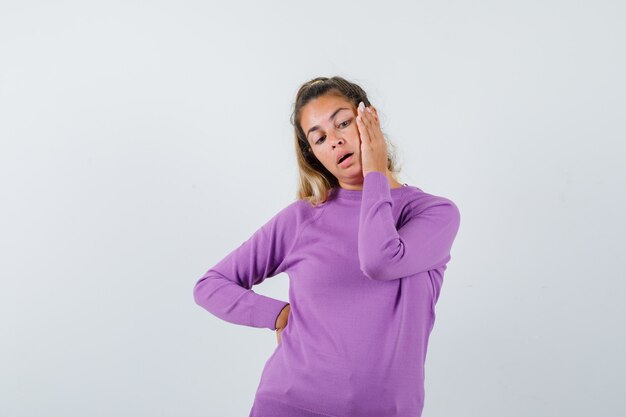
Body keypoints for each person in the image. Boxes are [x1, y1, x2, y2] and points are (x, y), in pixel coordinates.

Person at [193, 76, 461, 417]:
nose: (334, 141)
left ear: (370, 120)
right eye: (319, 138)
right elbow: (210, 285)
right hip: (288, 404)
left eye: (343, 123)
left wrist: (376, 171)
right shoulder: (302, 218)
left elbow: (379, 260)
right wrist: (279, 315)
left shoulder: (432, 213)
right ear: (313, 154)